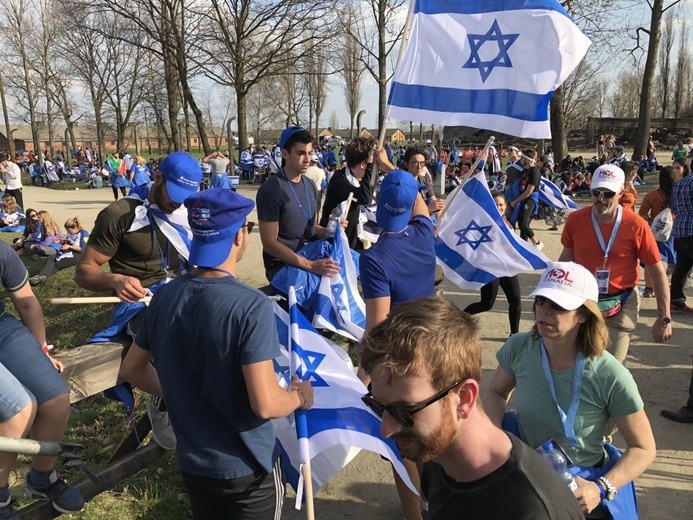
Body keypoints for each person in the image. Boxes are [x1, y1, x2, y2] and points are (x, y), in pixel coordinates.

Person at [119, 188, 314, 520]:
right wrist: (298, 395)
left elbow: (132, 369)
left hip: (195, 464)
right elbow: (266, 404)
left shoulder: (165, 296)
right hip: (248, 470)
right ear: (241, 236)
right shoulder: (250, 305)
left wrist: (184, 393)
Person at [360, 297, 584, 519]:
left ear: (464, 398)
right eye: (378, 406)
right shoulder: (437, 457)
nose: (386, 429)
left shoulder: (533, 510)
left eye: (404, 410)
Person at [486, 262, 656, 518]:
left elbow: (643, 448)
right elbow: (497, 393)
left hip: (580, 486)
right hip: (527, 474)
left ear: (584, 314)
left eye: (558, 305)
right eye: (541, 300)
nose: (543, 311)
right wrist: (491, 440)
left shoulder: (610, 374)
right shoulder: (519, 346)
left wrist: (601, 488)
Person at [75, 151, 202, 451]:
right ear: (157, 177)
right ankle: (164, 403)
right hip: (141, 302)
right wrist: (115, 281)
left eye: (187, 195)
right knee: (171, 341)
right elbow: (84, 272)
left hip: (184, 291)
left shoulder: (190, 210)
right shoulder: (119, 214)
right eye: (175, 194)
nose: (179, 203)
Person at [359, 163, 435, 520]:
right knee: (432, 434)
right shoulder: (423, 231)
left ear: (377, 200)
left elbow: (378, 326)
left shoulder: (374, 259)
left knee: (401, 448)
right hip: (432, 346)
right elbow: (417, 203)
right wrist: (396, 170)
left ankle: (413, 515)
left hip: (402, 358)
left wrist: (361, 376)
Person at [0, 241, 84, 518]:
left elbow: (27, 303)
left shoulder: (1, 250)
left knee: (56, 398)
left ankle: (41, 478)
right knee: (20, 408)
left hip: (3, 327)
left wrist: (42, 348)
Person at [559, 164, 672, 363]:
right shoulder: (575, 220)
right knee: (580, 366)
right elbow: (565, 264)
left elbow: (657, 273)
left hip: (622, 302)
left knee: (610, 369)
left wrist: (664, 318)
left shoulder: (636, 225)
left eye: (608, 193)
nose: (601, 199)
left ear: (621, 192)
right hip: (584, 303)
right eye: (596, 192)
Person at [256, 126, 339, 282]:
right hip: (283, 266)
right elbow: (269, 244)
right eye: (301, 153)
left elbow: (313, 230)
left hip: (310, 256)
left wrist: (332, 230)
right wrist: (310, 266)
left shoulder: (310, 185)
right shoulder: (271, 190)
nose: (307, 159)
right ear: (285, 154)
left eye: (309, 153)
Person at [464, 193, 521, 336]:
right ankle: (460, 317)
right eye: (495, 204)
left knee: (515, 300)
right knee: (487, 304)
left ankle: (514, 334)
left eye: (501, 204)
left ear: (506, 206)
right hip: (490, 268)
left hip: (507, 267)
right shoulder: (483, 223)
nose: (498, 207)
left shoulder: (508, 223)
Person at [319, 137, 376, 249]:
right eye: (374, 164)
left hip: (358, 243)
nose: (376, 169)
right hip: (336, 246)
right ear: (364, 164)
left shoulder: (365, 181)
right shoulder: (339, 180)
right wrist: (371, 165)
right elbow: (363, 197)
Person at [638, 166, 680, 298]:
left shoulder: (652, 195)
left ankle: (649, 289)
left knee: (650, 260)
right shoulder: (678, 194)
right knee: (674, 261)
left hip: (656, 230)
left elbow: (642, 212)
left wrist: (652, 221)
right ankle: (674, 288)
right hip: (674, 229)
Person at [29, 217, 90, 286]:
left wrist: (69, 246)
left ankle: (38, 280)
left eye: (69, 231)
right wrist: (61, 241)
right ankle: (41, 275)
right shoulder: (70, 234)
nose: (68, 232)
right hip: (68, 250)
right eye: (67, 231)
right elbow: (69, 242)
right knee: (51, 257)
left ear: (75, 227)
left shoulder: (84, 234)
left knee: (57, 263)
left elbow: (82, 249)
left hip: (78, 254)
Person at [669, 159, 693, 314]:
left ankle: (676, 299)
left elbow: (675, 207)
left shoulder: (680, 184)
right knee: (683, 267)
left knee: (682, 267)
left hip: (680, 228)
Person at [509, 149, 544, 250]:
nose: (521, 159)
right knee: (520, 222)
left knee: (523, 223)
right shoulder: (525, 171)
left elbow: (529, 191)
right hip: (523, 198)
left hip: (530, 199)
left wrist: (515, 201)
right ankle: (523, 246)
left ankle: (537, 243)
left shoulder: (535, 172)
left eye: (523, 157)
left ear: (528, 160)